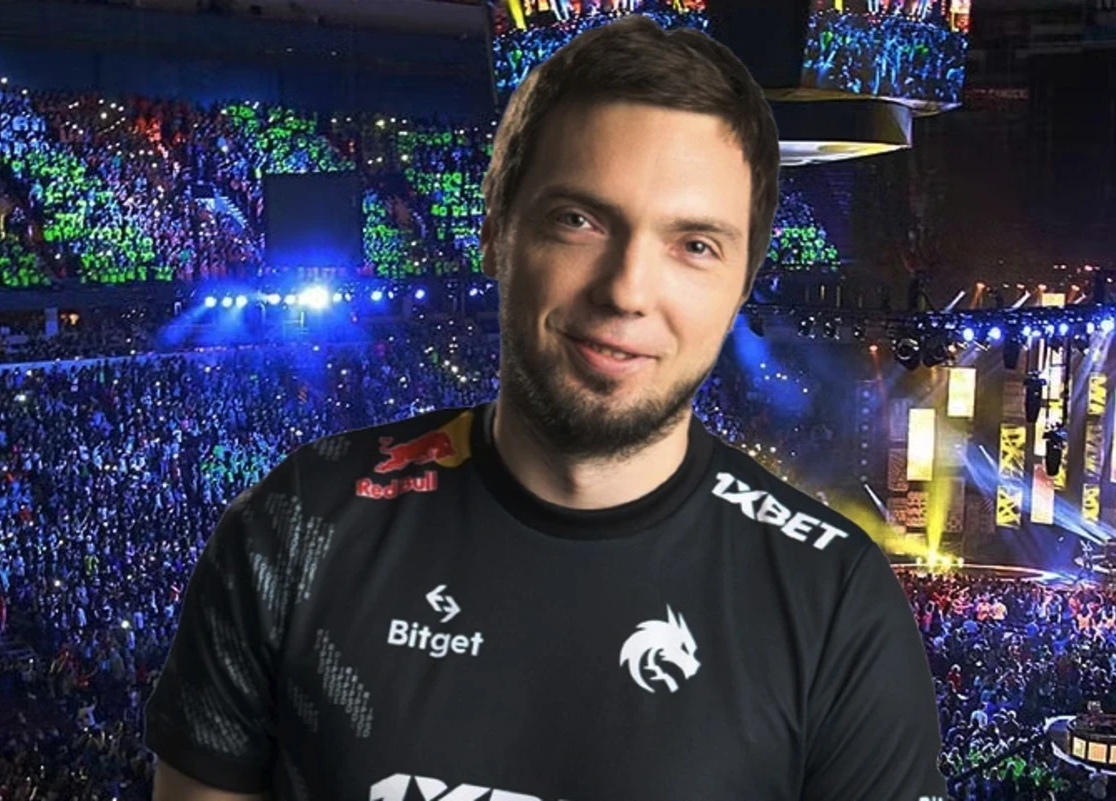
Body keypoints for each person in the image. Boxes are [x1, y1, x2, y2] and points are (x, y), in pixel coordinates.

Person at [145, 15, 946, 801]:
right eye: (579, 220)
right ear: (495, 229)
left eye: (694, 245)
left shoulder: (835, 604)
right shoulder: (295, 528)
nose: (627, 290)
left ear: (742, 282)